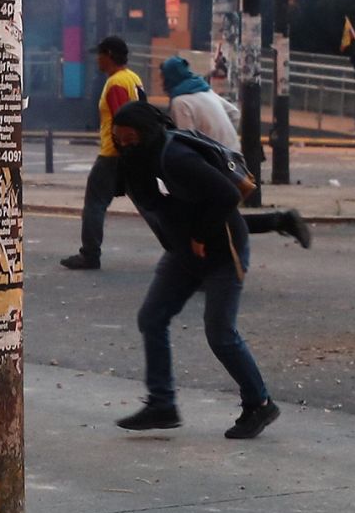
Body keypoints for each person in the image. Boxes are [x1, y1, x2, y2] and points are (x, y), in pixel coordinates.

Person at [109, 101, 280, 439]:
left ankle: (259, 404)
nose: (126, 146)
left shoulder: (175, 157)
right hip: (183, 252)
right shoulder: (141, 162)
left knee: (220, 332)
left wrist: (201, 236)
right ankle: (162, 403)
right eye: (120, 140)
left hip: (221, 249)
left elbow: (227, 195)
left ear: (147, 133)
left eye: (131, 139)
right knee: (152, 317)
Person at [160, 56, 311, 249]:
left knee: (213, 217)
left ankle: (279, 221)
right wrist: (223, 140)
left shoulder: (180, 102)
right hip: (232, 157)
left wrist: (209, 148)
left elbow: (185, 140)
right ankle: (280, 221)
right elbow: (234, 113)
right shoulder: (204, 91)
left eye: (164, 77)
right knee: (220, 215)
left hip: (214, 163)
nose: (162, 83)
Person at [62, 35, 144, 271]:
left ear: (109, 55)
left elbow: (122, 118)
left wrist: (121, 150)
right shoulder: (134, 78)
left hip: (113, 155)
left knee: (94, 204)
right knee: (150, 206)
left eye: (99, 55)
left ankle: (90, 254)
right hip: (131, 153)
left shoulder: (116, 82)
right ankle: (182, 251)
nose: (96, 60)